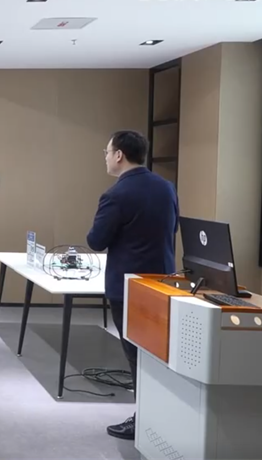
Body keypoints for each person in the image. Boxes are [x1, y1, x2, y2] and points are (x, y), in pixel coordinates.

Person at [87, 130, 178, 441]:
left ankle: (145, 422)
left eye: (106, 151)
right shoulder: (166, 188)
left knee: (136, 357)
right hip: (163, 285)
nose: (105, 157)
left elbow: (96, 240)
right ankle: (159, 417)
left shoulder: (115, 195)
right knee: (157, 356)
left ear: (119, 155)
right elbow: (172, 229)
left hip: (128, 289)